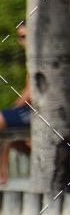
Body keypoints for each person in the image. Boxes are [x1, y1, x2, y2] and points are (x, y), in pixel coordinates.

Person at [0, 26, 31, 184]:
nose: (21, 41)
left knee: (1, 121)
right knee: (12, 140)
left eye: (24, 36)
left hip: (38, 111)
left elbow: (30, 93)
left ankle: (1, 176)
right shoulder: (31, 57)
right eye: (20, 37)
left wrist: (13, 109)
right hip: (30, 109)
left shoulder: (39, 57)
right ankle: (3, 174)